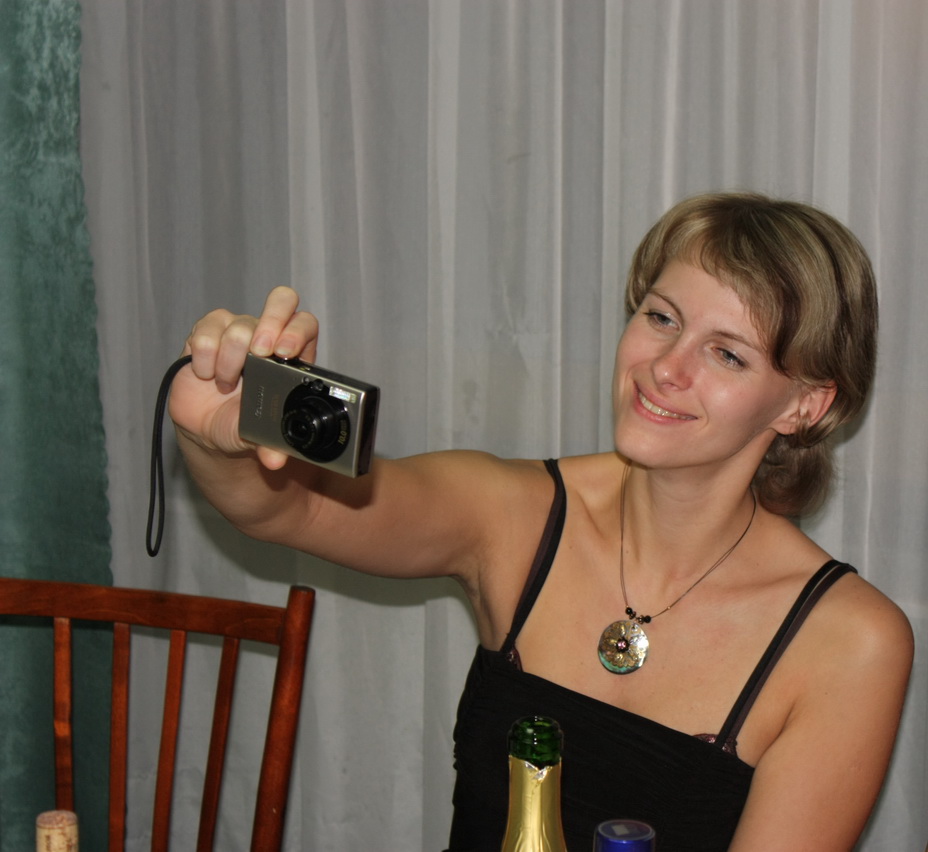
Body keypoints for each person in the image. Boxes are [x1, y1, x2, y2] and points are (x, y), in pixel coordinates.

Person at [169, 192, 912, 851]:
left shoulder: (848, 644)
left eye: (726, 354)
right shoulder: (514, 516)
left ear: (805, 404)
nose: (666, 367)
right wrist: (222, 434)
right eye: (661, 317)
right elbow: (290, 508)